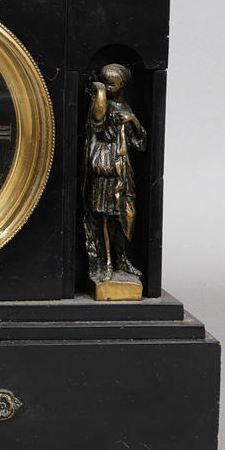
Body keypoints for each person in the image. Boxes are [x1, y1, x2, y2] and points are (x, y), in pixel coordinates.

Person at [83, 62, 146, 289]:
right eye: (105, 82)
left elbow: (141, 144)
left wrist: (133, 119)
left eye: (111, 84)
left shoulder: (125, 106)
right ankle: (107, 263)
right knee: (106, 217)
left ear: (122, 84)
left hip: (122, 169)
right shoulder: (101, 104)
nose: (108, 87)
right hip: (106, 169)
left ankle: (122, 259)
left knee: (126, 214)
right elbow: (97, 123)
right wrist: (99, 91)